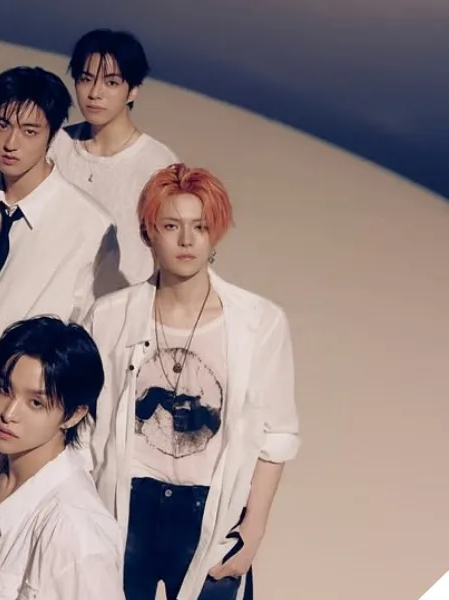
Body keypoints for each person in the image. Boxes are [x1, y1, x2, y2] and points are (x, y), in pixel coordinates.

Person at [83, 164, 301, 600]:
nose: (186, 240)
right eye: (171, 226)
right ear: (148, 233)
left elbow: (277, 434)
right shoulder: (109, 316)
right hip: (126, 506)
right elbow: (83, 427)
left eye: (199, 226)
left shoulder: (258, 322)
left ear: (214, 234)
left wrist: (253, 529)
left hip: (212, 515)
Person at [0, 65, 120, 544]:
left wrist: (80, 445)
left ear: (53, 134)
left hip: (7, 400)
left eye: (30, 130)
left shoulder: (88, 226)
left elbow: (88, 338)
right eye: (1, 125)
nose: (11, 142)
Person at [0, 317, 123, 599]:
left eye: (36, 403)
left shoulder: (76, 529)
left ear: (74, 415)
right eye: (3, 389)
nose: (8, 413)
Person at [50, 28, 180, 290]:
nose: (94, 93)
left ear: (133, 91)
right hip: (49, 299)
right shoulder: (56, 144)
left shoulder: (158, 164)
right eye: (86, 79)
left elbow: (172, 252)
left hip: (117, 305)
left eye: (111, 83)